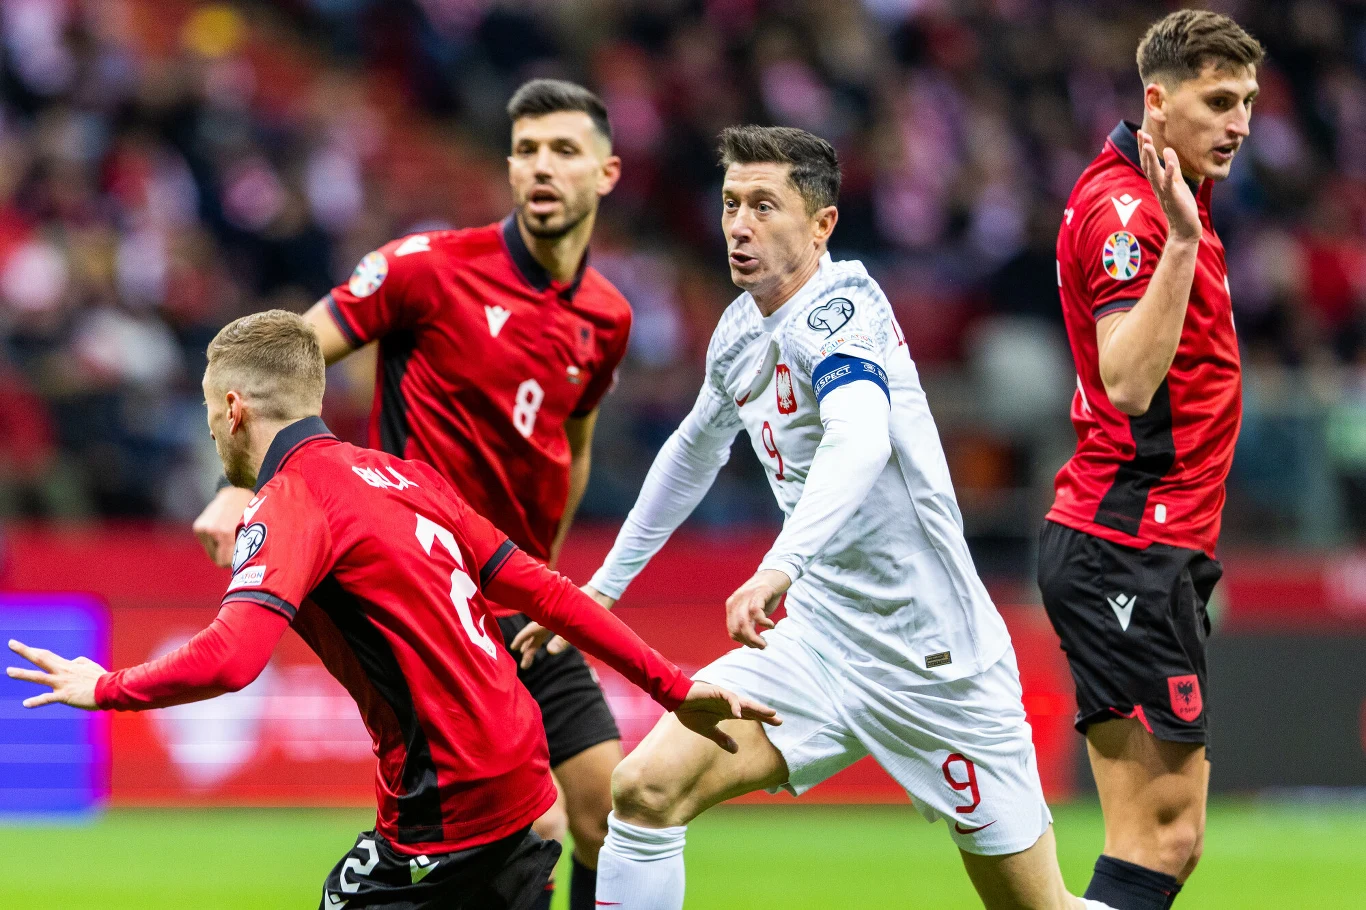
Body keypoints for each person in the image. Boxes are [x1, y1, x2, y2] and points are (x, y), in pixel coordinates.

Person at [7, 310, 776, 910]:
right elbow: (545, 590)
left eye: (212, 413)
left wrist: (106, 687)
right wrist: (674, 687)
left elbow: (234, 657)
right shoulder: (406, 476)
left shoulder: (289, 502)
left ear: (234, 408)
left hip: (447, 818)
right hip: (523, 791)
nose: (212, 430)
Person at [568, 125, 1095, 910]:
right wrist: (602, 588)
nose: (739, 225)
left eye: (764, 206)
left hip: (933, 661)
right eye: (730, 204)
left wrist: (781, 565)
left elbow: (859, 436)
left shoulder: (844, 315)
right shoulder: (742, 329)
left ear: (822, 225)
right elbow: (690, 454)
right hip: (816, 642)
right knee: (643, 791)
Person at [191, 79, 631, 910]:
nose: (543, 167)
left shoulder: (606, 317)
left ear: (607, 173)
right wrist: (235, 480)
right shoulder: (424, 268)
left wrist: (542, 571)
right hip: (428, 594)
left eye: (564, 151)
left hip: (514, 595)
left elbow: (572, 448)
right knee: (488, 842)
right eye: (528, 150)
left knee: (609, 808)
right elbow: (290, 353)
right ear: (507, 167)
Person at [1038, 10, 1261, 910]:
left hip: (1149, 542)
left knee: (1169, 837)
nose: (1239, 122)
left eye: (1247, 101)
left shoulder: (1170, 196)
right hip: (1125, 540)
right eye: (1217, 101)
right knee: (1160, 838)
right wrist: (1177, 244)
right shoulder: (1133, 214)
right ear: (1156, 102)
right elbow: (1128, 381)